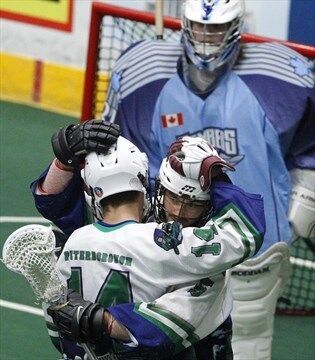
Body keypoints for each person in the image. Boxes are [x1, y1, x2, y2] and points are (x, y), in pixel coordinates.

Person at [100, 0, 314, 358]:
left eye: (215, 29)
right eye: (199, 27)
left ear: (236, 27)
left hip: (250, 243)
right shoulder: (143, 73)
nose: (205, 39)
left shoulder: (282, 75)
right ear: (184, 24)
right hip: (164, 239)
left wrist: (304, 201)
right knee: (156, 340)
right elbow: (120, 154)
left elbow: (310, 146)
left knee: (247, 337)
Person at [47, 135, 266, 359]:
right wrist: (218, 179)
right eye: (174, 198)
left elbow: (53, 203)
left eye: (193, 204)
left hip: (185, 337)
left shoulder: (80, 238)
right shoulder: (185, 243)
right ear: (157, 187)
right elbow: (244, 232)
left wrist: (102, 320)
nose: (179, 213)